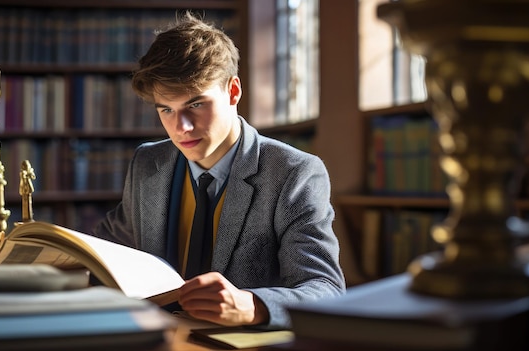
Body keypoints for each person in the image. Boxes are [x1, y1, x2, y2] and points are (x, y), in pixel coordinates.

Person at [93, 11, 345, 329]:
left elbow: (327, 291)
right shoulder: (148, 163)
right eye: (167, 110)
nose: (181, 127)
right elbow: (107, 248)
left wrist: (254, 305)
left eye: (196, 105)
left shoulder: (293, 173)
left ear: (233, 92)